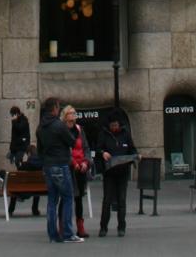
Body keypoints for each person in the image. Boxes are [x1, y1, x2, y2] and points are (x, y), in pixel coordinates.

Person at [37, 96, 83, 243]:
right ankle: (68, 233)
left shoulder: (40, 127)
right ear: (55, 108)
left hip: (48, 165)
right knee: (68, 197)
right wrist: (75, 132)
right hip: (61, 164)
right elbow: (72, 141)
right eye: (58, 107)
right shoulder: (58, 125)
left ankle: (53, 234)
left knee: (52, 200)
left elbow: (39, 150)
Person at [96, 114, 137, 237]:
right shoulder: (104, 134)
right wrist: (103, 153)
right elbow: (98, 149)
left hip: (123, 172)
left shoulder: (125, 134)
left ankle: (121, 227)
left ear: (119, 125)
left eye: (116, 125)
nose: (114, 127)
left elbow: (132, 150)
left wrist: (135, 156)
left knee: (122, 199)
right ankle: (103, 227)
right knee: (107, 200)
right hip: (109, 172)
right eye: (112, 125)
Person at [63, 105, 91, 238]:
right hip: (69, 168)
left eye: (75, 113)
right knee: (65, 198)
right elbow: (64, 150)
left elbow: (85, 147)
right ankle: (63, 227)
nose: (74, 116)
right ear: (65, 116)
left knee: (79, 198)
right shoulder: (62, 130)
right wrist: (73, 163)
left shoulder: (80, 130)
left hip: (81, 167)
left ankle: (80, 227)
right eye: (71, 113)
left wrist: (86, 162)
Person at [8, 143, 43, 217]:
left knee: (14, 187)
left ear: (29, 153)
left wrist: (22, 162)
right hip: (40, 189)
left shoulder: (25, 165)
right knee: (37, 185)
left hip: (24, 190)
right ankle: (35, 209)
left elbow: (19, 172)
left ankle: (10, 210)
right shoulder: (42, 164)